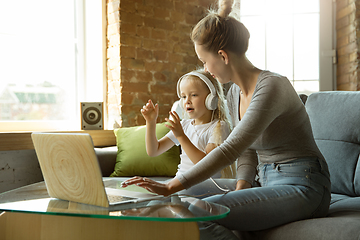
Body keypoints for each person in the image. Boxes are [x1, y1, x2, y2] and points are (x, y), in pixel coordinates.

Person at [122, 0, 331, 239]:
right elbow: (248, 150)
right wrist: (243, 185)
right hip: (265, 181)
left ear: (222, 55)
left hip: (305, 185)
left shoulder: (272, 86)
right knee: (178, 204)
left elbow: (231, 149)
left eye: (204, 61)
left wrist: (172, 183)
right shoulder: (234, 93)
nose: (205, 68)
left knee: (200, 210)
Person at [140, 69, 235, 190]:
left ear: (211, 99)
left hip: (205, 186)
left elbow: (206, 166)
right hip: (181, 183)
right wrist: (150, 122)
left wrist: (181, 136)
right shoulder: (184, 125)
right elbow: (154, 151)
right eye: (183, 96)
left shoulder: (219, 127)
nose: (187, 101)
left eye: (194, 95)